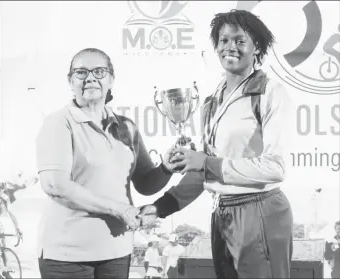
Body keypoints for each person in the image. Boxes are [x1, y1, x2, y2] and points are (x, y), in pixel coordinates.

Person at [139, 9, 293, 279]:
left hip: (260, 212)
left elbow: (275, 168)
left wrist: (206, 162)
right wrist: (161, 207)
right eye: (223, 40)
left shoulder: (270, 92)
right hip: (222, 215)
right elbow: (204, 172)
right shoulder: (211, 103)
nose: (230, 47)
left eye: (239, 40)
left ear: (256, 47)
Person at [35, 48, 175, 279]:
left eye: (99, 71)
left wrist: (166, 168)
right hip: (67, 257)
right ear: (70, 81)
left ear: (111, 79)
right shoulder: (58, 123)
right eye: (81, 72)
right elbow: (54, 185)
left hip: (117, 251)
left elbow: (145, 184)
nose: (90, 78)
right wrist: (119, 209)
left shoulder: (127, 127)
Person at [0, 183, 23, 278]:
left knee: (4, 247)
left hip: (1, 224)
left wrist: (17, 229)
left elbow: (9, 214)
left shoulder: (4, 197)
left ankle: (5, 271)